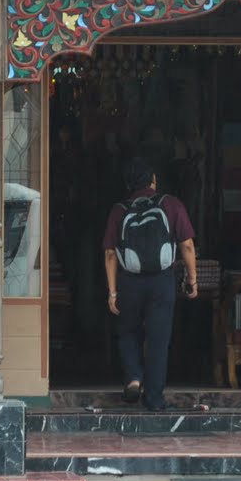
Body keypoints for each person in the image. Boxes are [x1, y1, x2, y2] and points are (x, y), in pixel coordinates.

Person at [103, 157, 197, 411]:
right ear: (153, 180)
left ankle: (134, 377)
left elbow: (110, 254)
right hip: (161, 282)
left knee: (127, 331)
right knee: (158, 340)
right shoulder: (171, 205)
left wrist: (113, 292)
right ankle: (154, 400)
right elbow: (187, 245)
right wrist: (192, 280)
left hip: (129, 281)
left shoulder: (119, 210)